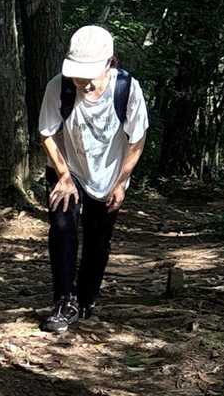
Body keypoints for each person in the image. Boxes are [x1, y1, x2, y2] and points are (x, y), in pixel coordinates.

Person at [38, 24, 149, 334]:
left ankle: (86, 299)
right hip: (67, 169)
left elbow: (137, 140)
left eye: (88, 76)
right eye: (78, 75)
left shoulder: (127, 90)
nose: (82, 83)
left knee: (98, 239)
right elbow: (47, 133)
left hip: (110, 174)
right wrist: (63, 175)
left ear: (110, 63)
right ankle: (63, 302)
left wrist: (121, 182)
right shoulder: (58, 87)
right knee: (62, 229)